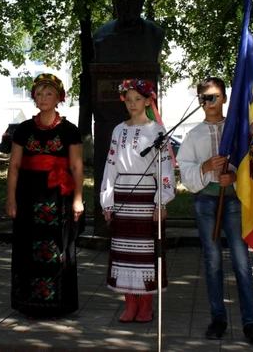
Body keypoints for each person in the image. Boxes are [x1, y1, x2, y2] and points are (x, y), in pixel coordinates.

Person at [176, 77, 253, 345]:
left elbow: (251, 162)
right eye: (204, 98)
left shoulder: (238, 131)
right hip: (206, 201)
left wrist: (234, 176)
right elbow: (186, 172)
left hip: (233, 201)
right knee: (212, 262)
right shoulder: (194, 135)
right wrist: (205, 168)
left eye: (214, 97)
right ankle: (218, 318)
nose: (209, 102)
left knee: (241, 260)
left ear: (225, 98)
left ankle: (250, 322)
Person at [5, 73, 84, 319]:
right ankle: (28, 304)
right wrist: (11, 198)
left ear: (58, 97)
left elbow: (77, 167)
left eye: (48, 93)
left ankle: (58, 304)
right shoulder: (24, 130)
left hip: (57, 200)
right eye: (39, 93)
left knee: (56, 250)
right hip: (27, 197)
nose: (43, 97)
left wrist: (78, 198)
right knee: (27, 250)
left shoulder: (70, 130)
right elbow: (14, 166)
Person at [99, 79, 175, 323]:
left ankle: (147, 305)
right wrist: (107, 201)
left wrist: (160, 201)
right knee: (124, 253)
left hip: (146, 197)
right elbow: (110, 165)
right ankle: (130, 303)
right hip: (123, 193)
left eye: (138, 100)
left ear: (147, 101)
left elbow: (165, 169)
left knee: (146, 253)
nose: (133, 104)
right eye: (129, 100)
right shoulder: (118, 130)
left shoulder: (157, 131)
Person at [93, 0, 165, 64]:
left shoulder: (155, 33)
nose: (126, 8)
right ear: (115, 4)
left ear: (141, 4)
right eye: (121, 2)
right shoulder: (101, 36)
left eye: (131, 2)